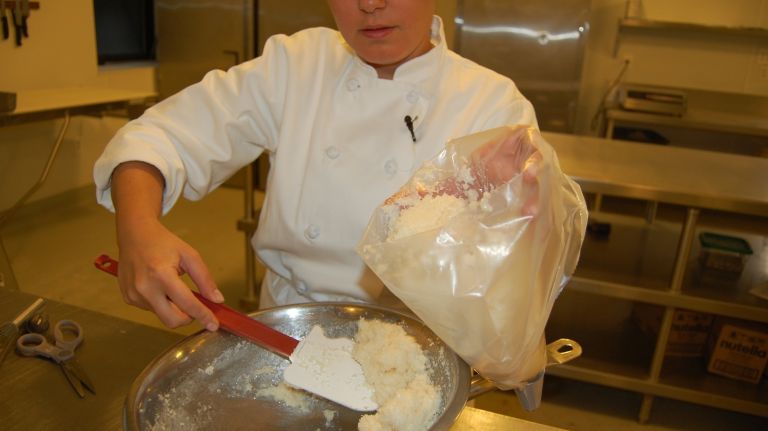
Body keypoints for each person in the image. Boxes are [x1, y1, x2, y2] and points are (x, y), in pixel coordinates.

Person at [93, 0, 539, 332]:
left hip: (416, 344)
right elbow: (162, 135)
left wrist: (499, 215)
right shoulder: (297, 64)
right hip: (285, 324)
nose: (370, 4)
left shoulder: (492, 104)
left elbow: (513, 280)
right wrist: (136, 228)